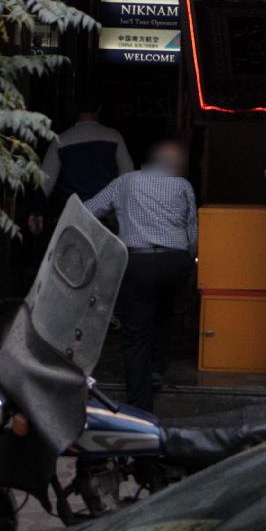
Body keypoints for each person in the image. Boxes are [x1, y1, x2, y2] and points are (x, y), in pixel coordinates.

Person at [86, 139, 197, 411]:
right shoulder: (183, 185)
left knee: (136, 336)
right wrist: (189, 262)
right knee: (165, 317)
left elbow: (88, 210)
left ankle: (140, 406)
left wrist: (109, 242)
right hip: (175, 262)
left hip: (139, 263)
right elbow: (192, 232)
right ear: (174, 165)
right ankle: (156, 369)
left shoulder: (125, 182)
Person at [40, 99, 132, 209]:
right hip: (107, 209)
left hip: (74, 210)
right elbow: (127, 174)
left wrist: (37, 209)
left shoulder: (61, 140)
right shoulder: (114, 137)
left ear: (75, 108)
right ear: (99, 109)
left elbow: (46, 180)